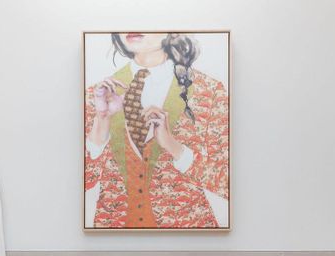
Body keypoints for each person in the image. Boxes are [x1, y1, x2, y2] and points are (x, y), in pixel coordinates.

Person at [85, 33, 229, 228]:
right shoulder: (99, 93)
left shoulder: (209, 91)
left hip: (188, 238)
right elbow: (83, 182)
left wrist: (174, 147)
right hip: (113, 239)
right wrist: (101, 123)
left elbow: (227, 183)